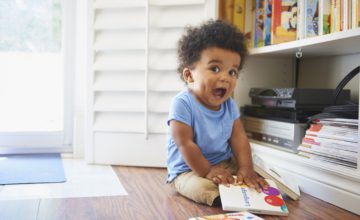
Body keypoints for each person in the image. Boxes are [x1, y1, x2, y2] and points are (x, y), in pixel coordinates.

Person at [166, 19, 268, 207]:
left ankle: (245, 185)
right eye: (215, 68)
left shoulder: (229, 104)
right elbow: (185, 144)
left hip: (224, 163)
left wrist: (246, 168)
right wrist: (207, 171)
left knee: (258, 171)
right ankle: (226, 195)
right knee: (202, 188)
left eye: (232, 72)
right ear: (189, 76)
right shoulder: (182, 104)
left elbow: (239, 138)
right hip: (189, 169)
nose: (225, 77)